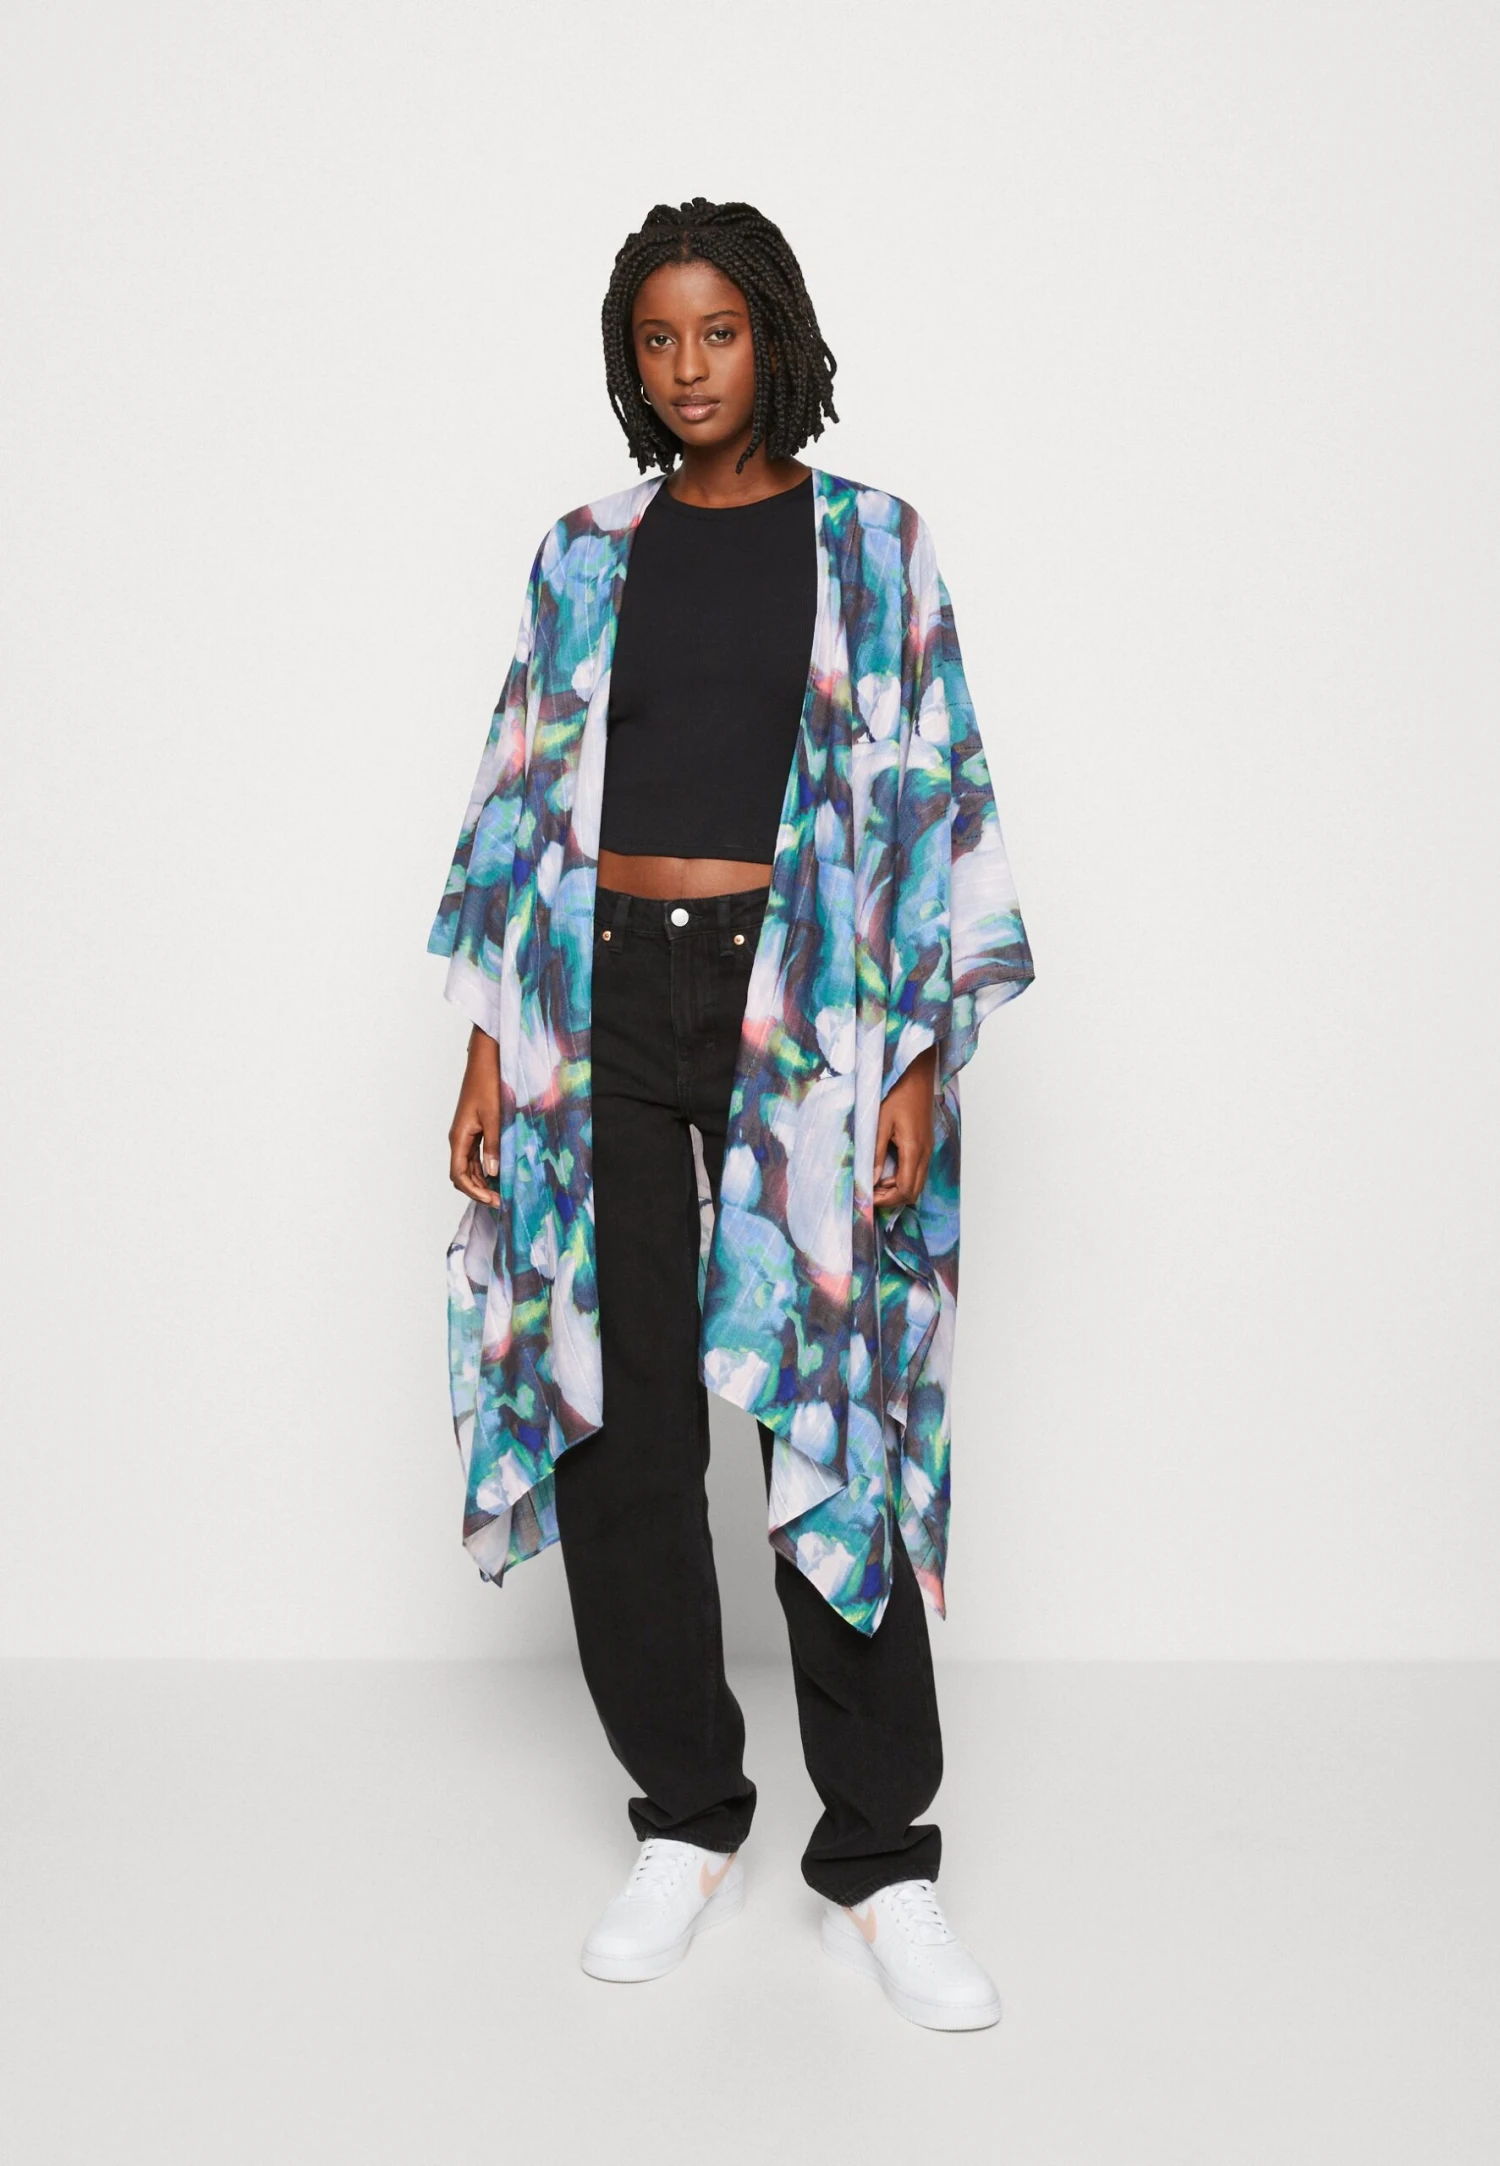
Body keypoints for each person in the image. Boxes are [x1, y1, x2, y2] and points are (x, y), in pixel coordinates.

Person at [428, 197, 1035, 2032]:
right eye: (657, 339)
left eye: (718, 331)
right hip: (595, 1000)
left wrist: (915, 1064)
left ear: (775, 334)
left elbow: (934, 799)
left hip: (807, 1012)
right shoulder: (582, 554)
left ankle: (881, 1858)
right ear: (630, 360)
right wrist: (487, 1049)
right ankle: (686, 1813)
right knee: (620, 1417)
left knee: (824, 1401)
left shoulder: (874, 544)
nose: (689, 368)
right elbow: (517, 801)